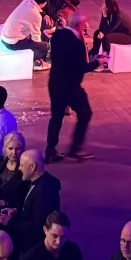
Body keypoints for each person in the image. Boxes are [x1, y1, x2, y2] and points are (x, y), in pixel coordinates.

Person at [45, 11, 94, 161]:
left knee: (56, 117)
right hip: (70, 87)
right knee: (85, 113)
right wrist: (98, 62)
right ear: (79, 25)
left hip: (55, 83)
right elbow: (81, 67)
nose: (86, 25)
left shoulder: (57, 36)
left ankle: (50, 150)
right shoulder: (76, 43)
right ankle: (75, 149)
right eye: (84, 23)